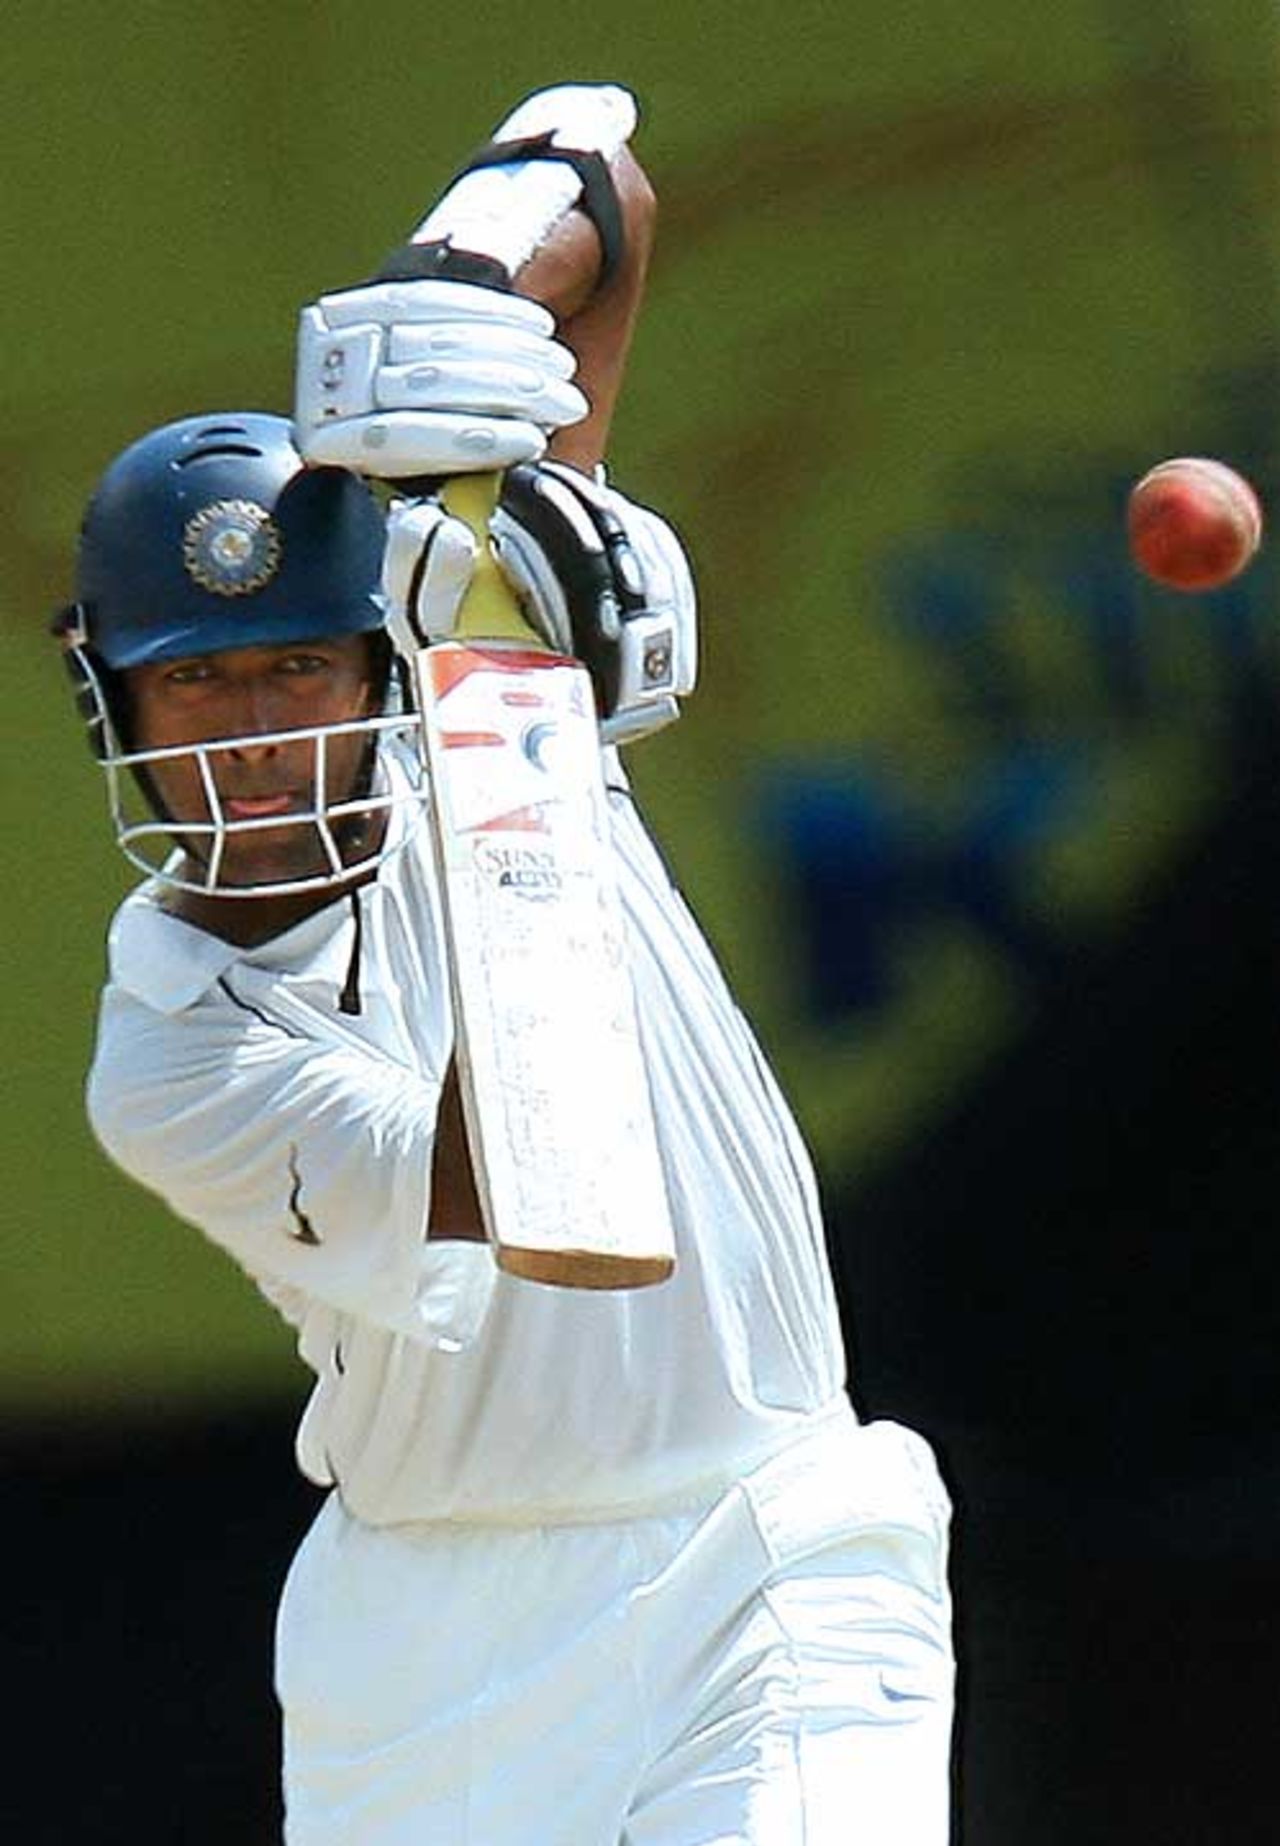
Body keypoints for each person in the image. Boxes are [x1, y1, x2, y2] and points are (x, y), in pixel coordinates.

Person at [58, 86, 955, 1845]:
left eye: (294, 673)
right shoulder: (172, 1066)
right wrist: (521, 673)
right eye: (198, 686)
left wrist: (461, 289)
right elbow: (554, 1184)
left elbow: (602, 187)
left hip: (769, 1543)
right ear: (118, 704)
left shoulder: (465, 661)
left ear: (362, 663)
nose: (251, 735)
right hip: (433, 1656)